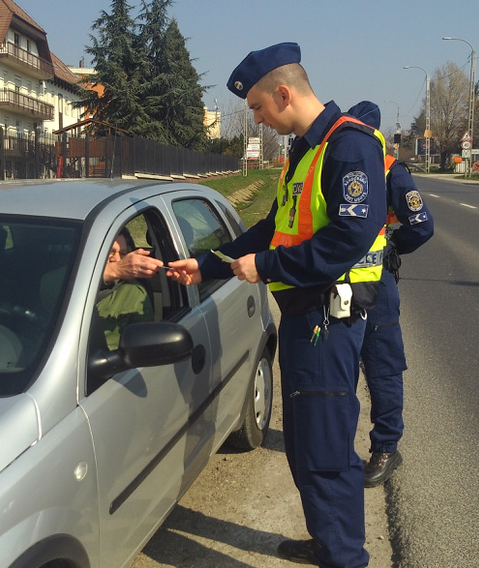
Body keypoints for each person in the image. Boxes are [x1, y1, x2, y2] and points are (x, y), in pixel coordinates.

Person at [167, 42, 387, 568]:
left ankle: (345, 557)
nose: (260, 120)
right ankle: (327, 540)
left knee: (326, 452)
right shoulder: (305, 151)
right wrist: (213, 264)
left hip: (327, 324)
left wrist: (265, 269)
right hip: (304, 319)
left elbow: (350, 238)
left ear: (283, 92)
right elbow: (274, 229)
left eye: (261, 108)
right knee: (305, 447)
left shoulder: (347, 146)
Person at [345, 102, 435, 488]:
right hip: (339, 282)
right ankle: (338, 443)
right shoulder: (342, 166)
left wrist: (391, 248)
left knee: (381, 367)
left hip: (377, 285)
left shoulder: (390, 170)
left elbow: (421, 224)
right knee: (341, 365)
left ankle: (386, 447)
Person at [96, 228, 159, 350]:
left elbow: (142, 345)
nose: (117, 259)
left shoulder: (135, 292)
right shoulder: (68, 277)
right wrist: (109, 272)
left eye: (123, 253)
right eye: (110, 251)